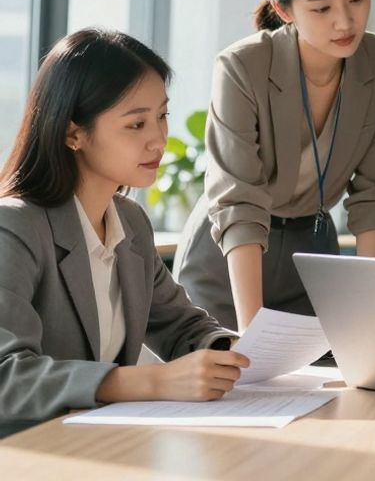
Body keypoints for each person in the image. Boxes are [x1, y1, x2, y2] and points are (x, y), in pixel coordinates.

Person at [1, 29, 247, 422]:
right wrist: (151, 382)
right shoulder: (13, 228)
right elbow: (6, 377)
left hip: (98, 442)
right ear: (73, 133)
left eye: (162, 116)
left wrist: (234, 354)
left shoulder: (130, 222)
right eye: (136, 125)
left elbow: (179, 324)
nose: (159, 140)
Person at [176, 0, 375, 331]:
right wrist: (253, 334)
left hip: (312, 254)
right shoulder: (241, 66)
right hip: (228, 261)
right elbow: (239, 201)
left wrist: (374, 317)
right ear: (284, 9)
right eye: (321, 8)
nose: (345, 22)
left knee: (329, 388)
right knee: (237, 382)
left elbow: (374, 196)